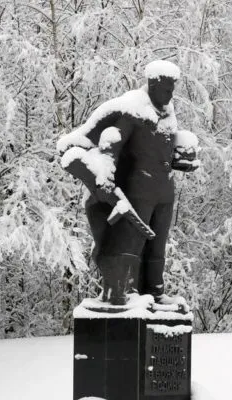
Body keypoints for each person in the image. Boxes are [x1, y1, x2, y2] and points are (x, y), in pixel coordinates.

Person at [58, 60, 199, 306]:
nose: (170, 95)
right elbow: (110, 144)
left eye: (172, 89)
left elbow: (160, 150)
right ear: (153, 85)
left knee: (157, 245)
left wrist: (182, 157)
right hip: (138, 190)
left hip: (165, 192)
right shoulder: (132, 111)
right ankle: (128, 291)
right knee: (131, 243)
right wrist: (104, 175)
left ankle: (155, 291)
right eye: (166, 89)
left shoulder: (168, 114)